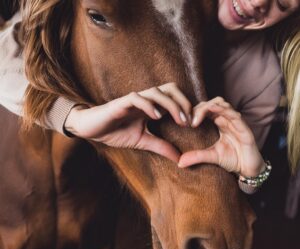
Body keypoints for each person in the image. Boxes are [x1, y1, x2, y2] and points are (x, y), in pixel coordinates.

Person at [0, 0, 299, 194]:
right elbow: (7, 53)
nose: (260, 2)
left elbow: (237, 184)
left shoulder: (263, 78)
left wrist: (255, 173)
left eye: (282, 4)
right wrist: (74, 118)